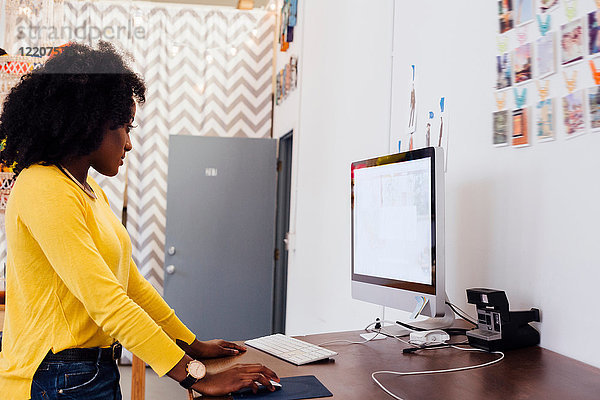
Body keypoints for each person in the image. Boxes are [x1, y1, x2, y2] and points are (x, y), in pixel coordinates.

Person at [0, 41, 278, 400]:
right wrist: (195, 376)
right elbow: (107, 301)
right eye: (125, 128)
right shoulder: (43, 186)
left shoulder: (87, 191)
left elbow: (130, 284)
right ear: (89, 124)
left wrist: (193, 345)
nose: (129, 144)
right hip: (53, 376)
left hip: (84, 371)